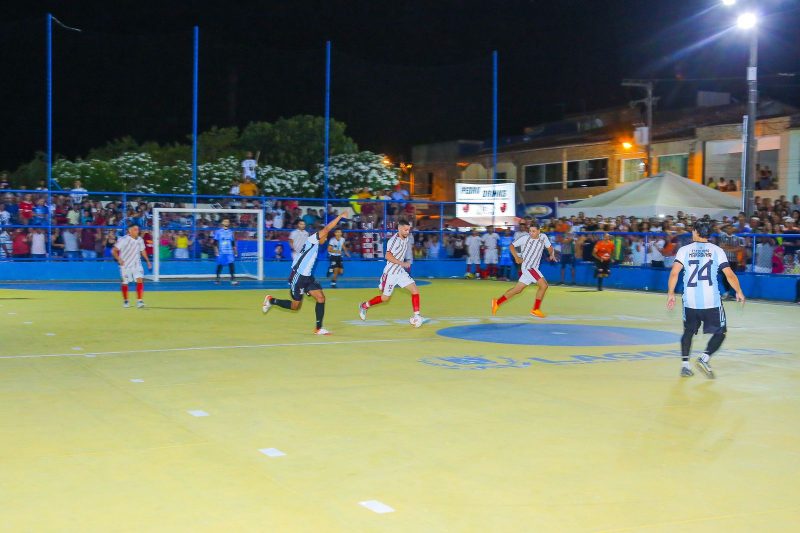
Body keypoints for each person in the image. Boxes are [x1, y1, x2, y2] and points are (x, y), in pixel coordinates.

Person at [666, 219, 745, 378]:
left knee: (688, 332)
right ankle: (704, 357)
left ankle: (685, 366)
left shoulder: (684, 250)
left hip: (690, 301)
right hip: (711, 301)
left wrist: (671, 293)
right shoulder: (717, 250)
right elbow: (729, 274)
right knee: (721, 331)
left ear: (695, 231)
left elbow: (674, 273)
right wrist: (739, 291)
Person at [261, 214, 345, 335]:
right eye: (325, 237)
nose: (325, 239)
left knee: (321, 298)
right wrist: (340, 216)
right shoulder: (312, 239)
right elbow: (326, 229)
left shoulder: (315, 246)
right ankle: (271, 300)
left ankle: (318, 328)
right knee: (295, 306)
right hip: (298, 276)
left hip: (308, 277)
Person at [358, 219, 426, 327]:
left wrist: (405, 262)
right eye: (405, 230)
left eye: (408, 230)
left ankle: (417, 316)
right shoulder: (393, 241)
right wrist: (402, 263)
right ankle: (364, 306)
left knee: (414, 290)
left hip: (399, 271)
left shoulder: (406, 237)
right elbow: (387, 256)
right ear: (399, 228)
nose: (407, 232)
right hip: (390, 273)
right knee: (385, 298)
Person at [491, 220, 556, 318]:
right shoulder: (525, 238)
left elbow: (550, 247)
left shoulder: (543, 237)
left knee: (517, 290)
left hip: (533, 268)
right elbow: (511, 246)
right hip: (528, 267)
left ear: (539, 231)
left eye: (533, 231)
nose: (531, 233)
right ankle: (535, 309)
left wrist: (552, 254)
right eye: (530, 231)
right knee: (544, 285)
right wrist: (517, 257)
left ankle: (497, 302)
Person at [112, 222, 152, 308]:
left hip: (137, 264)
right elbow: (114, 250)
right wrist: (119, 259)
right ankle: (126, 301)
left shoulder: (140, 240)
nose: (137, 231)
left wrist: (148, 261)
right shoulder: (123, 240)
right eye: (135, 229)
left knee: (140, 280)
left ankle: (140, 301)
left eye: (138, 229)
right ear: (130, 231)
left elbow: (143, 251)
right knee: (125, 283)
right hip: (125, 265)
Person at [213, 218, 238, 285]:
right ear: (222, 223)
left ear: (229, 223)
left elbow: (232, 242)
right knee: (220, 265)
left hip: (229, 252)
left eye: (228, 221)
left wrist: (235, 250)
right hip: (221, 252)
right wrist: (216, 251)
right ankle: (217, 279)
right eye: (225, 221)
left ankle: (233, 279)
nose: (226, 222)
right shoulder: (218, 232)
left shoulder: (230, 232)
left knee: (231, 264)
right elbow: (215, 243)